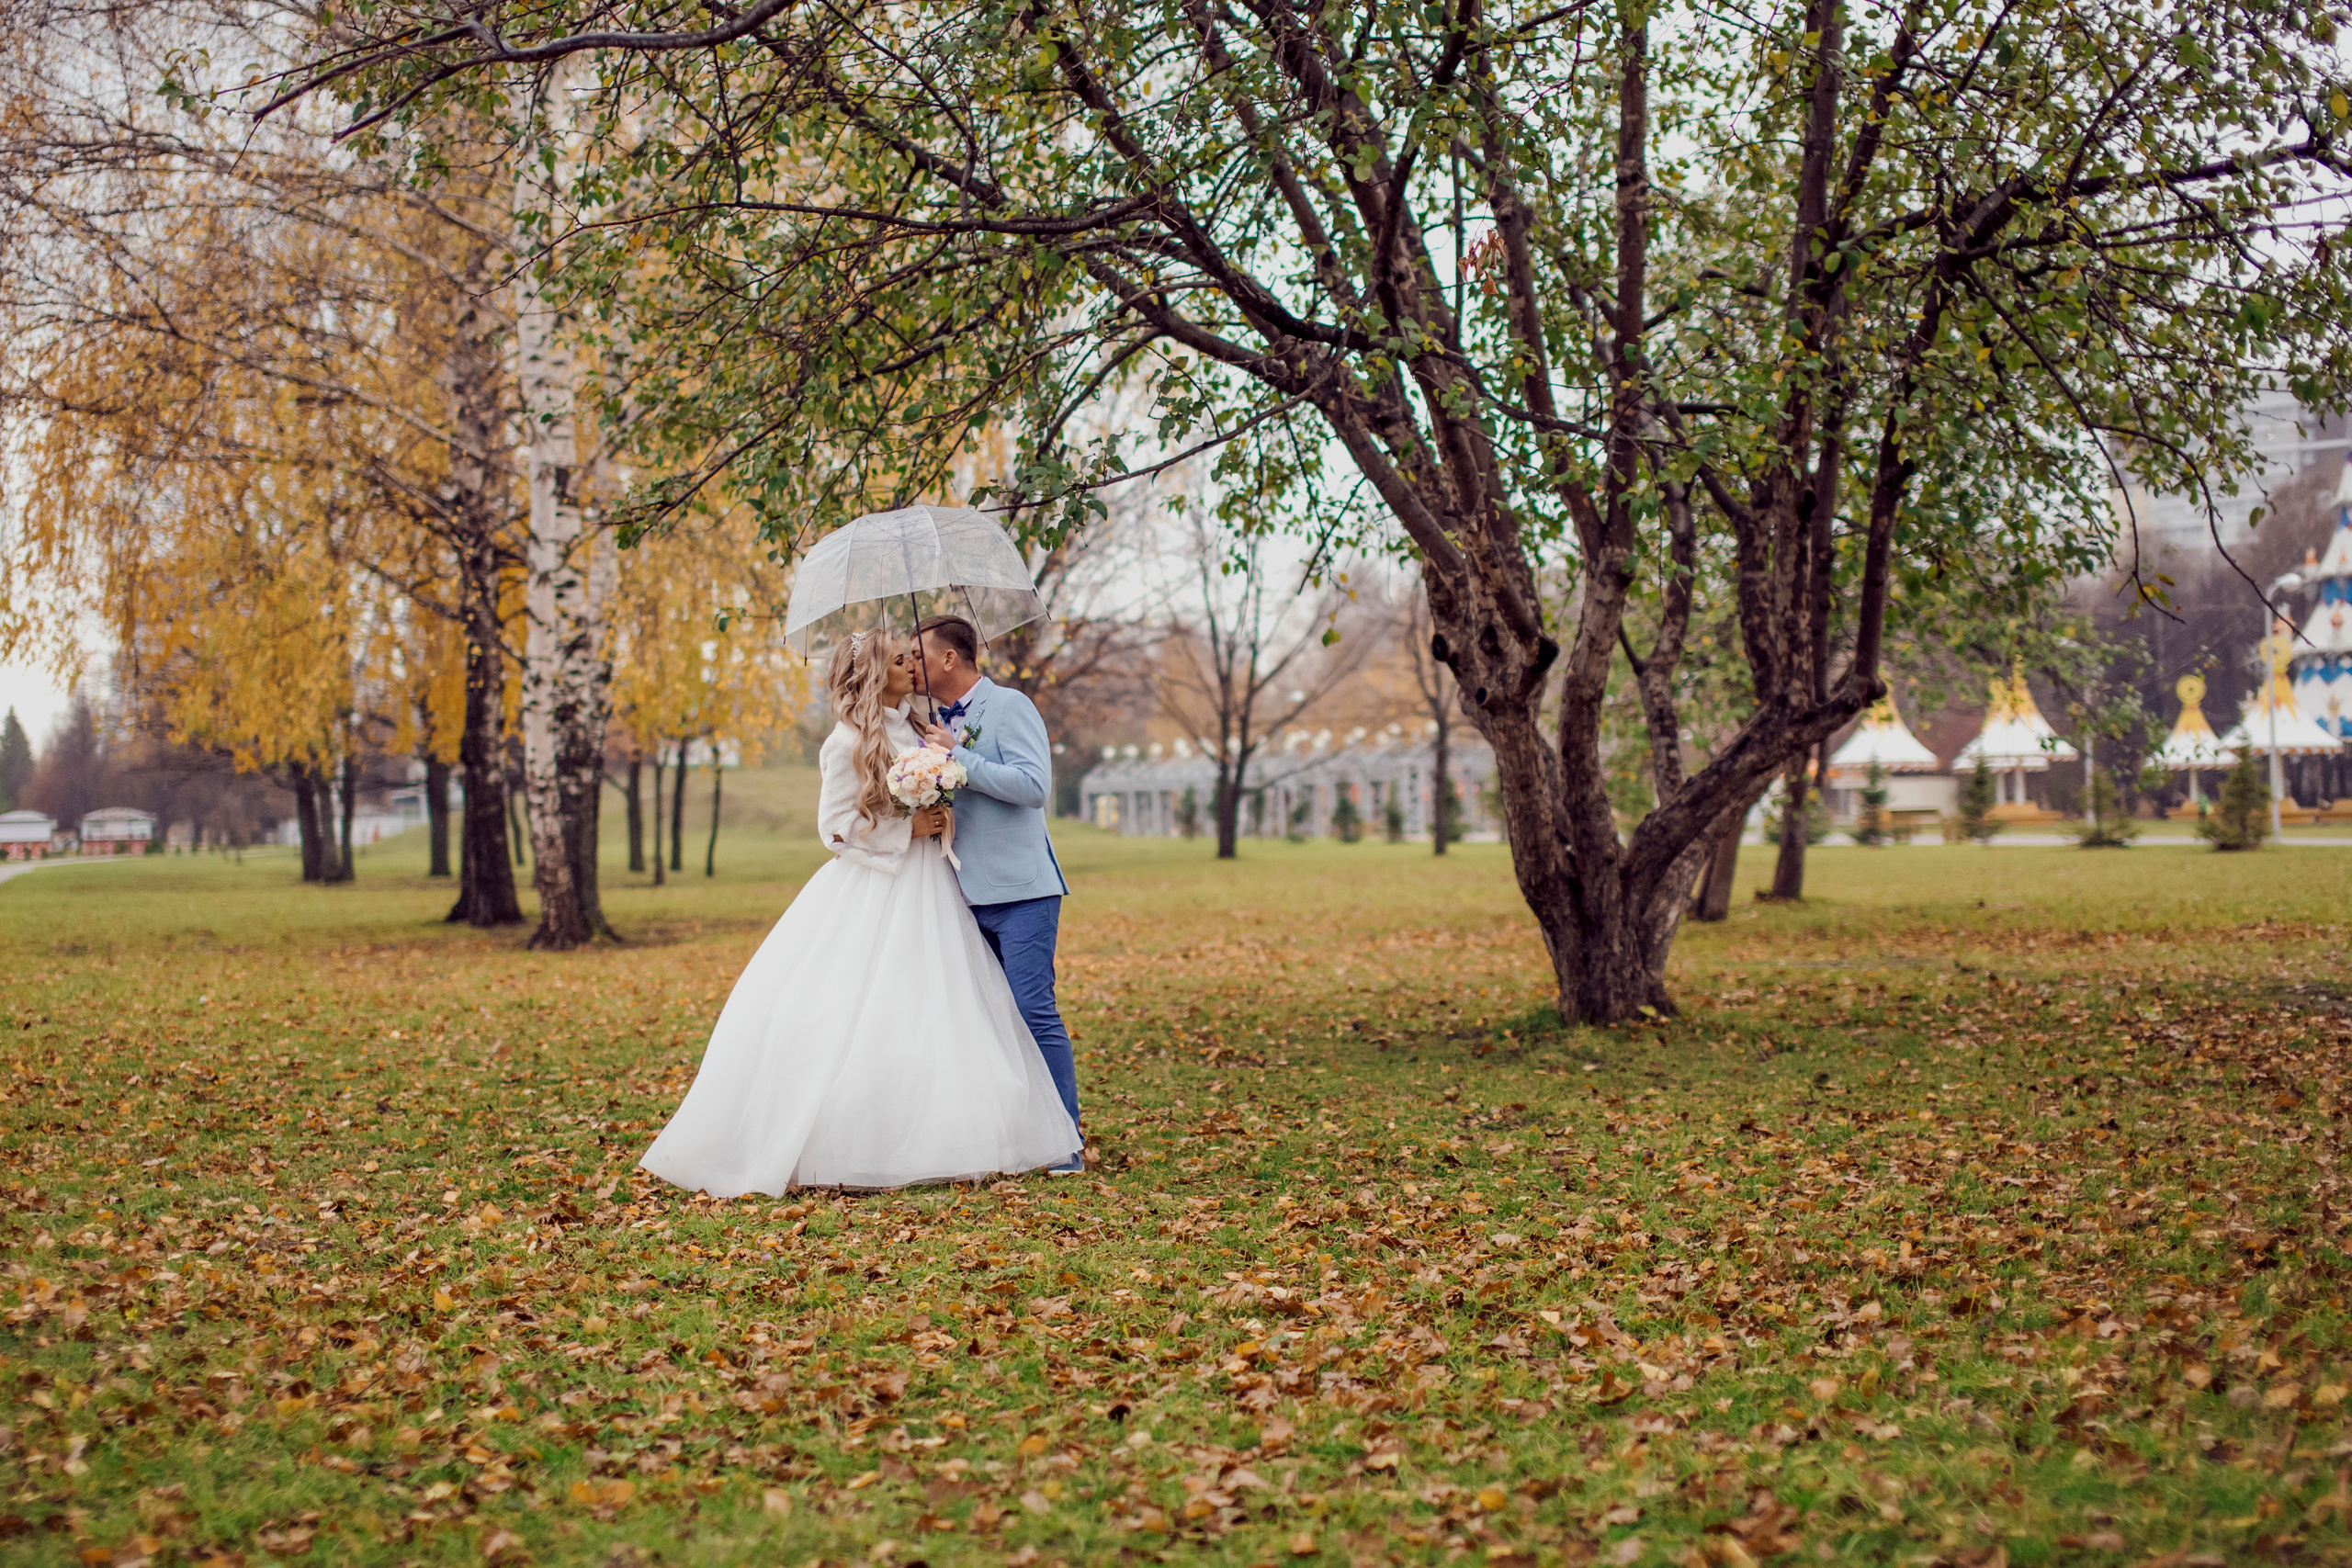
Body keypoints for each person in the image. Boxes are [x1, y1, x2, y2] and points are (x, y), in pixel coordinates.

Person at [639, 628, 1079, 1194]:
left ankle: (1027, 1133)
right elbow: (836, 829)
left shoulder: (924, 727)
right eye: (899, 660)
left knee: (958, 1008)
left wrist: (942, 795)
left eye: (913, 657)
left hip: (942, 883)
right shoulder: (846, 740)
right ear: (875, 674)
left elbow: (1005, 784)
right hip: (889, 881)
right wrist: (908, 830)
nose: (911, 666)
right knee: (879, 1007)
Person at [910, 615, 1084, 1173]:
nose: (912, 666)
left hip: (1022, 891)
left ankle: (1065, 1142)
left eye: (919, 655)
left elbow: (1033, 787)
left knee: (1033, 1011)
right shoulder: (927, 723)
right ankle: (1012, 1135)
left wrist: (958, 757)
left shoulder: (1010, 707)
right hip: (959, 893)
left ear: (949, 658)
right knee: (985, 1019)